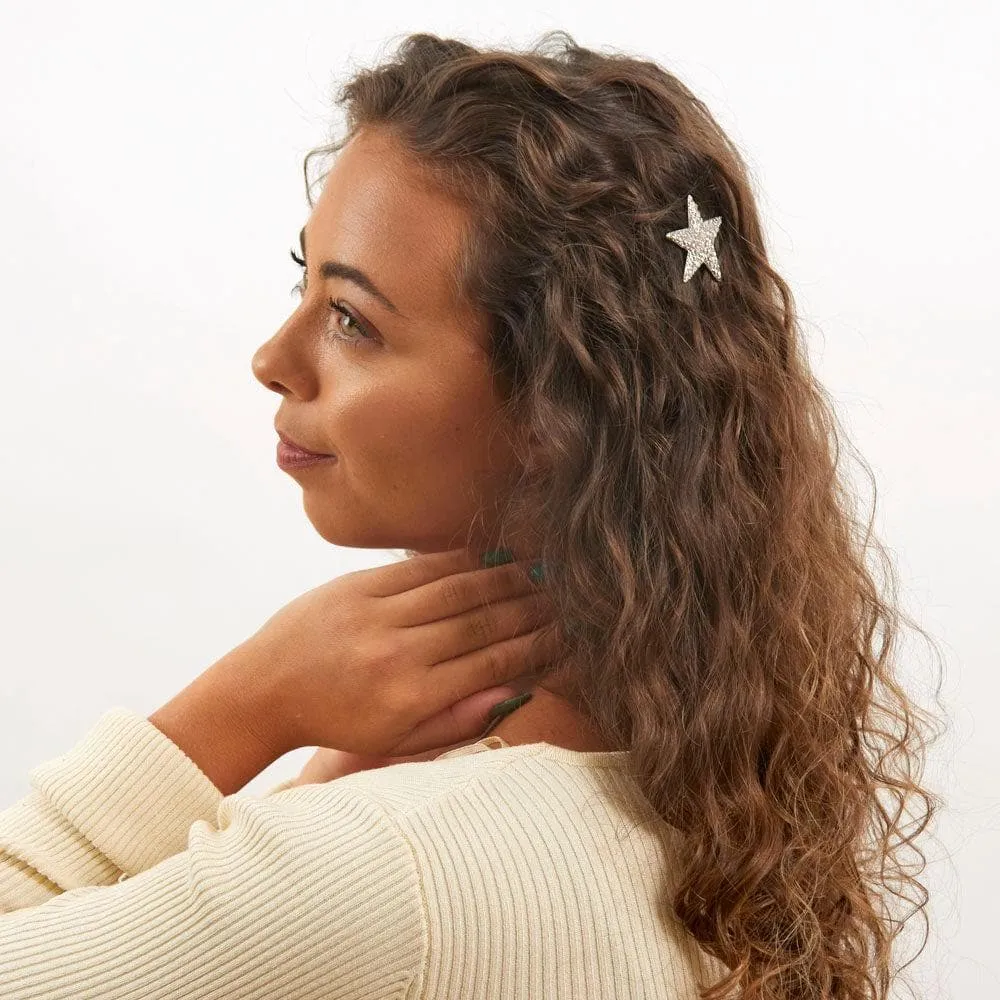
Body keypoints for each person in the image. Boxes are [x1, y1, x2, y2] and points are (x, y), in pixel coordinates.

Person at [0, 30, 942, 1000]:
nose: (274, 357)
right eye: (303, 284)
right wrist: (334, 772)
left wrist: (242, 708)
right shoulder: (696, 811)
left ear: (553, 408)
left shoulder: (389, 868)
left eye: (352, 319)